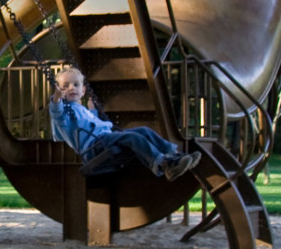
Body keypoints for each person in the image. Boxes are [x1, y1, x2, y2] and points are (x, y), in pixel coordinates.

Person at [49, 66, 200, 180]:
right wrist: (56, 98)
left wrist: (93, 111)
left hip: (104, 140)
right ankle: (163, 165)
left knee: (143, 131)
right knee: (132, 138)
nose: (71, 88)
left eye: (76, 85)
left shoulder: (82, 109)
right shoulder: (63, 112)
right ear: (59, 91)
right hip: (93, 149)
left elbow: (89, 123)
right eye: (65, 86)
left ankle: (175, 157)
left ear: (83, 90)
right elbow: (57, 112)